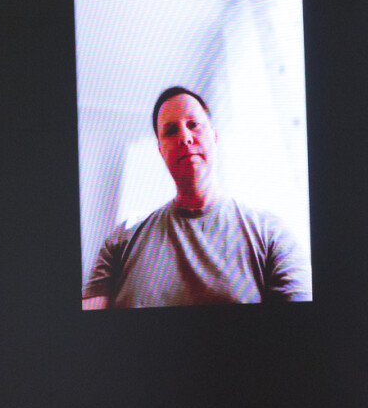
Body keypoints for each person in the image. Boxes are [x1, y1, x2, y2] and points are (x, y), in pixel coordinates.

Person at [83, 86, 310, 309]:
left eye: (193, 125)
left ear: (214, 136)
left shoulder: (271, 233)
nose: (185, 138)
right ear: (161, 150)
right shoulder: (122, 240)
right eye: (171, 131)